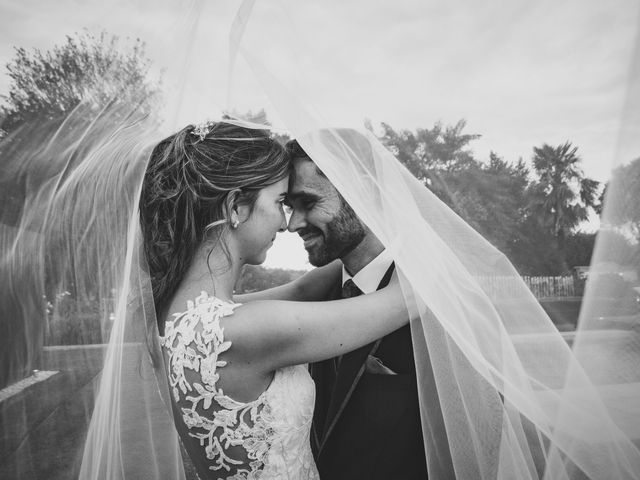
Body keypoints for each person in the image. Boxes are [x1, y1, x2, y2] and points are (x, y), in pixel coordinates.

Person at [138, 120, 418, 480]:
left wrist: (352, 242)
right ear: (235, 207)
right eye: (281, 202)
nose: (287, 224)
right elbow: (407, 297)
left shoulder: (178, 316)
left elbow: (302, 290)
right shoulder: (248, 330)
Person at [284, 136, 433, 479]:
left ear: (362, 192)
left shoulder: (435, 301)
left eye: (307, 202)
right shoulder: (317, 294)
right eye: (289, 207)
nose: (293, 224)